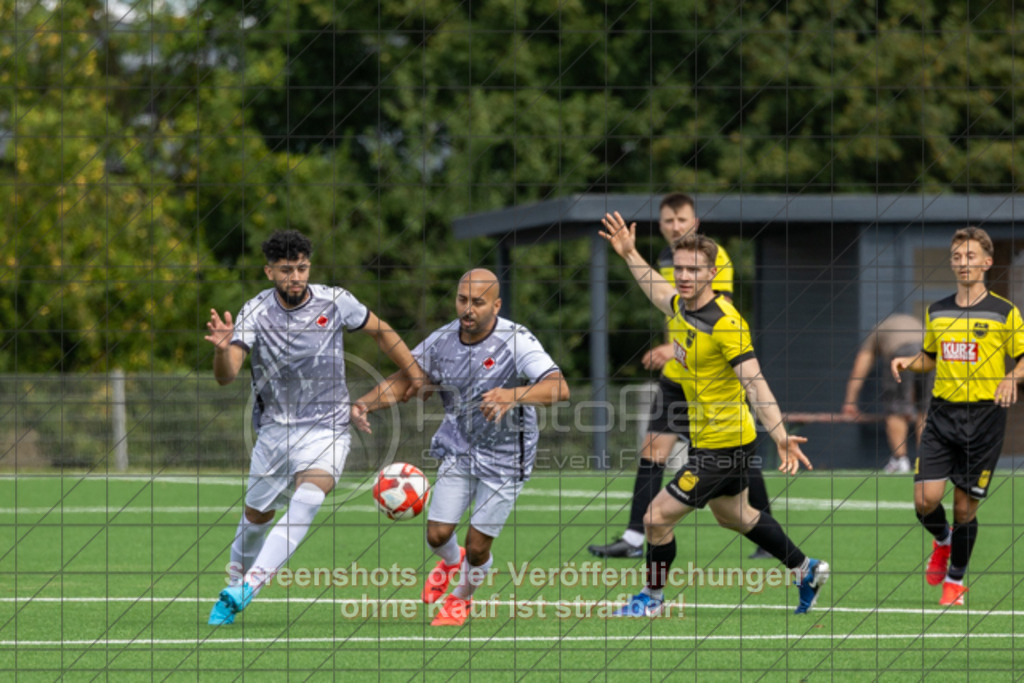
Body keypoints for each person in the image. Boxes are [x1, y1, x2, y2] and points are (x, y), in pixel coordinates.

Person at [599, 212, 829, 616]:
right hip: (716, 441)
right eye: (679, 269)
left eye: (694, 270)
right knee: (736, 516)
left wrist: (780, 435)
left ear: (712, 273)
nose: (684, 276)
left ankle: (651, 600)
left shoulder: (725, 323)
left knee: (656, 518)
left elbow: (755, 383)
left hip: (723, 446)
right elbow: (657, 290)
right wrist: (630, 253)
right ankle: (806, 569)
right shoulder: (683, 308)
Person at [204, 229, 426, 625]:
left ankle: (248, 586)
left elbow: (381, 331)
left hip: (328, 427)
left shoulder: (335, 301)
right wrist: (223, 351)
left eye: (302, 268)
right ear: (269, 272)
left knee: (310, 495)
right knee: (256, 518)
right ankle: (234, 584)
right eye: (286, 270)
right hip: (274, 431)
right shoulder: (255, 311)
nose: (296, 277)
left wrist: (414, 374)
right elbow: (226, 376)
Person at [352, 269, 570, 627]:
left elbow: (559, 387)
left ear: (496, 305)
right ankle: (452, 562)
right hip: (460, 447)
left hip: (507, 457)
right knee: (437, 535)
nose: (468, 309)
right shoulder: (442, 341)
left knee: (478, 546)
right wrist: (364, 403)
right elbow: (406, 381)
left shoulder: (516, 340)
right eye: (462, 299)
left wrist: (513, 395)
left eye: (478, 302)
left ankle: (461, 598)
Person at [587, 192, 775, 561]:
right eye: (669, 221)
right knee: (652, 451)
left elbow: (716, 313)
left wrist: (674, 349)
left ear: (695, 222)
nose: (676, 227)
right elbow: (668, 304)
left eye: (682, 220)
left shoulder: (715, 257)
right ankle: (634, 537)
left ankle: (766, 533)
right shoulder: (665, 258)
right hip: (677, 378)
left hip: (707, 380)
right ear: (660, 225)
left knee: (736, 456)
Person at [891, 227, 1024, 606]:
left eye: (970, 256)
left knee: (965, 507)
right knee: (924, 500)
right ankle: (943, 540)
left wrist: (1011, 378)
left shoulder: (1004, 312)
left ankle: (955, 580)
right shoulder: (937, 310)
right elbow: (930, 358)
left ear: (987, 262)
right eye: (957, 257)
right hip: (942, 414)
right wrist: (908, 361)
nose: (963, 263)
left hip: (984, 419)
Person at [842, 313, 931, 473]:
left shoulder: (877, 332)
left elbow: (860, 368)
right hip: (930, 351)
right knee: (926, 410)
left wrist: (850, 402)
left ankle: (900, 460)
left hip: (902, 352)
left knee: (895, 408)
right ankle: (926, 461)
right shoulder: (916, 324)